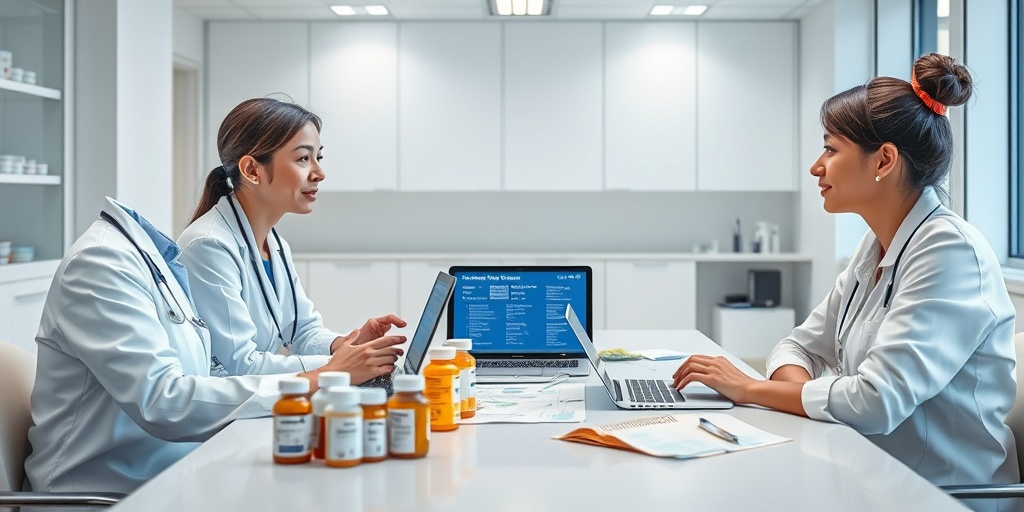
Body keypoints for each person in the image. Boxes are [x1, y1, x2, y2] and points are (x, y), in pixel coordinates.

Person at [673, 53, 1019, 492]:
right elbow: (797, 346)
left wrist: (749, 389)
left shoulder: (949, 251)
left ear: (884, 160)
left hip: (937, 494)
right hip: (866, 471)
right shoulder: (875, 245)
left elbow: (876, 402)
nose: (817, 167)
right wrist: (809, 402)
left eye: (831, 149)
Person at [24, 197, 405, 494]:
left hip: (169, 462)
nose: (319, 172)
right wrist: (321, 376)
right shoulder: (102, 263)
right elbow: (166, 400)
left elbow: (212, 368)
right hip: (113, 488)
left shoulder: (150, 261)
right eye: (304, 157)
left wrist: (339, 355)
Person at [177, 98, 404, 385]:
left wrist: (348, 344)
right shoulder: (208, 246)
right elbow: (240, 365)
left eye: (318, 157)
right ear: (252, 170)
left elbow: (303, 330)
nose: (319, 173)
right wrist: (341, 366)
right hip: (229, 416)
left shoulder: (274, 243)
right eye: (302, 158)